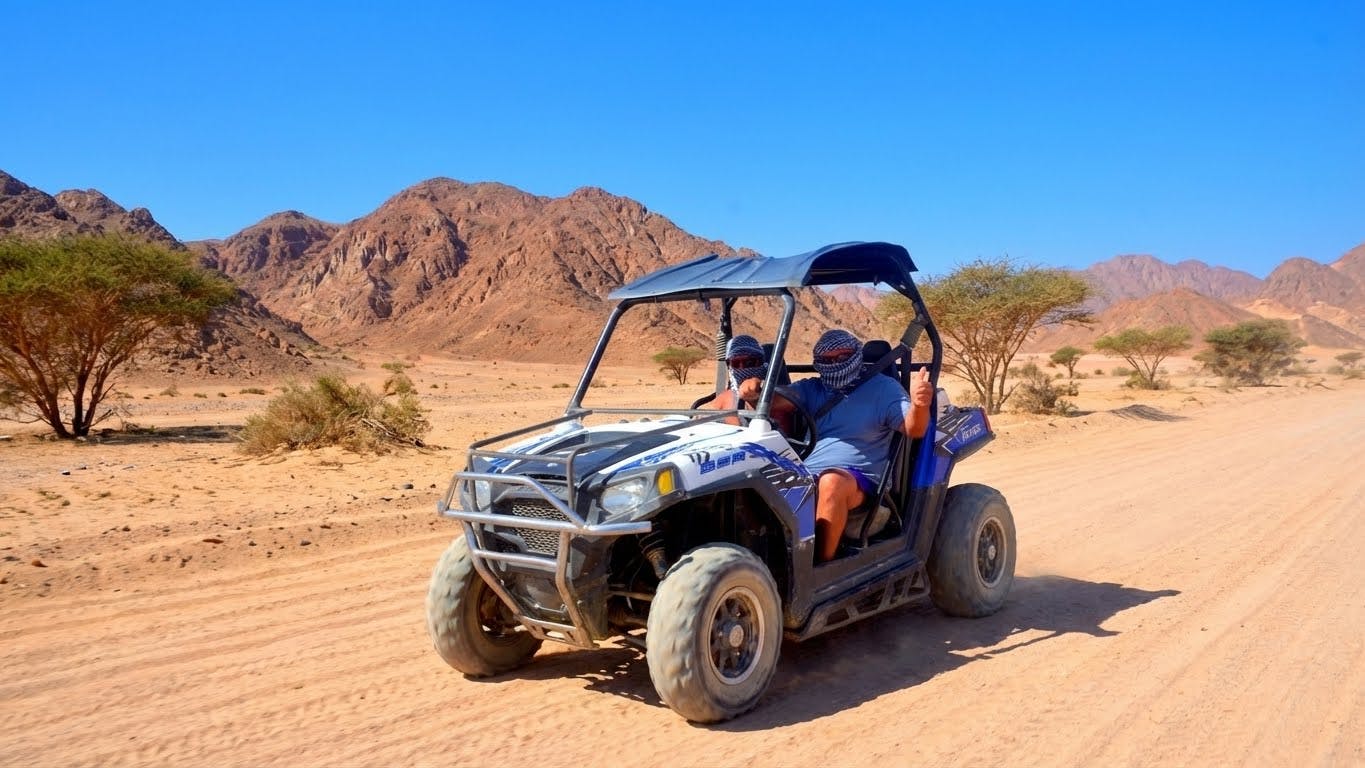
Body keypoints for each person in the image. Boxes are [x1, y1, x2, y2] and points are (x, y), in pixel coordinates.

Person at [739, 329, 933, 562]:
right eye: (826, 361)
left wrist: (919, 405)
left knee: (831, 482)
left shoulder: (883, 388)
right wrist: (755, 392)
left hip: (859, 478)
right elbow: (776, 402)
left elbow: (914, 429)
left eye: (842, 357)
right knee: (754, 475)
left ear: (857, 354)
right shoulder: (813, 388)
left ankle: (819, 567)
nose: (835, 365)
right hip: (808, 472)